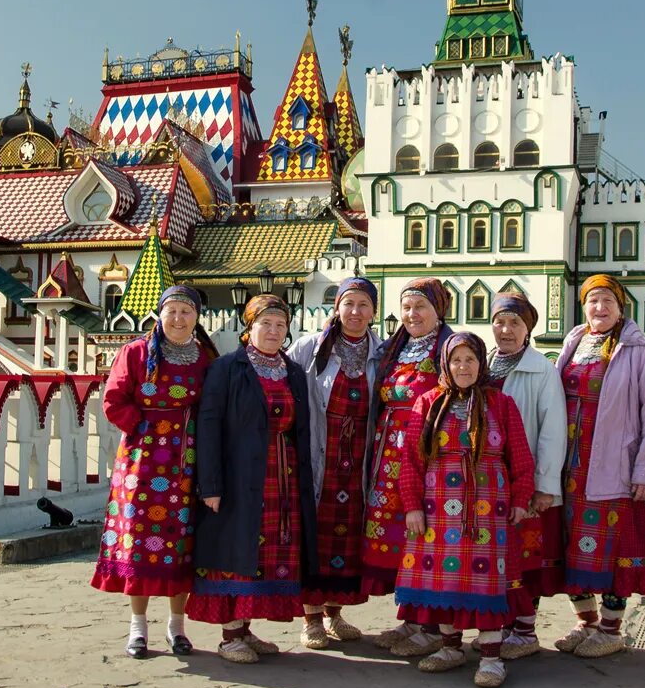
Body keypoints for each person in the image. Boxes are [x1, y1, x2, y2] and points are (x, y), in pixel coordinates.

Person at [395, 331, 534, 688]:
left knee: (486, 580)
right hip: (436, 503)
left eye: (470, 359)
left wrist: (521, 500)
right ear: (445, 363)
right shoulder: (427, 402)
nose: (463, 366)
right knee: (443, 574)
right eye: (456, 359)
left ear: (481, 363)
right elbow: (410, 460)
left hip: (488, 508)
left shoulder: (501, 404)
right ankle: (450, 647)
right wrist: (411, 506)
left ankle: (491, 657)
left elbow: (519, 456)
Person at [188, 294, 319, 664]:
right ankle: (230, 635)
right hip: (239, 475)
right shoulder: (228, 368)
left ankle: (245, 628)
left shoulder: (292, 371)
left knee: (264, 553)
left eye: (281, 325)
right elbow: (209, 426)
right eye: (266, 324)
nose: (274, 331)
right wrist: (210, 485)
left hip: (283, 476)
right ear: (249, 328)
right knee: (235, 550)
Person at [91, 285, 219, 658]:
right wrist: (145, 429)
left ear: (197, 317)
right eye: (172, 311)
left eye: (186, 312)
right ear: (159, 315)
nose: (178, 319)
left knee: (181, 543)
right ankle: (137, 628)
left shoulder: (205, 358)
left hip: (186, 461)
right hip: (142, 464)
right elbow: (114, 400)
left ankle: (176, 627)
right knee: (139, 541)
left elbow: (213, 406)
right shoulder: (136, 353)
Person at [547, 274, 645, 658]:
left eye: (607, 301)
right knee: (571, 545)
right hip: (571, 465)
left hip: (614, 463)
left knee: (615, 549)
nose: (599, 308)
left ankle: (612, 628)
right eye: (593, 301)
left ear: (620, 307)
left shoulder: (638, 348)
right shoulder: (574, 341)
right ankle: (587, 622)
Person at [363, 277, 455, 655]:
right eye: (406, 307)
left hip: (426, 456)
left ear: (439, 311)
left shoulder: (450, 349)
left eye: (420, 307)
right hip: (388, 456)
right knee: (398, 539)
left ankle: (432, 626)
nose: (412, 314)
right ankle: (411, 618)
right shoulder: (392, 349)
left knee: (425, 535)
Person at [292, 276, 383, 649]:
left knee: (347, 539)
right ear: (336, 307)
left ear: (374, 311)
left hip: (359, 456)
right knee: (316, 535)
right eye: (349, 303)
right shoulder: (310, 347)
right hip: (321, 453)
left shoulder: (383, 351)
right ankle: (311, 618)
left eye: (364, 305)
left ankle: (334, 612)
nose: (355, 312)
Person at [485, 291, 566, 659]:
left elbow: (552, 430)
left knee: (527, 556)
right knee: (500, 554)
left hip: (525, 480)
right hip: (490, 484)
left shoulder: (541, 370)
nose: (505, 330)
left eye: (514, 323)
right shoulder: (484, 365)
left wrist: (545, 485)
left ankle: (525, 630)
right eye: (500, 322)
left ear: (528, 328)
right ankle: (504, 626)